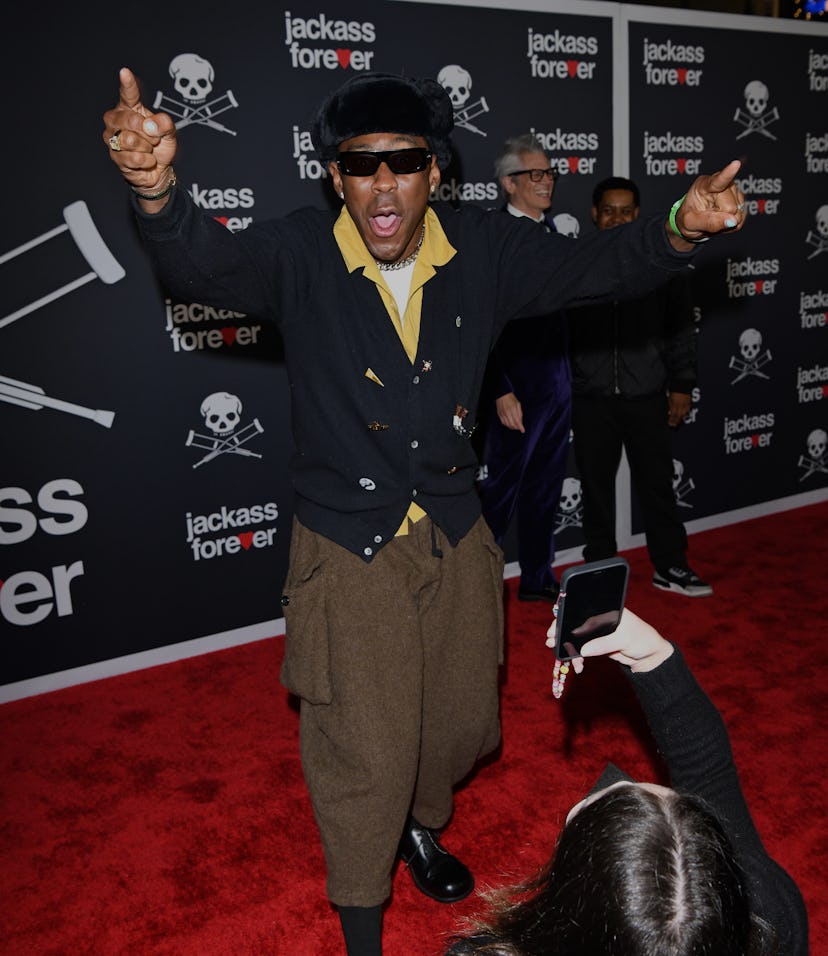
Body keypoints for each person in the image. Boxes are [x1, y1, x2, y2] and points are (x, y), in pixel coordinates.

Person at [102, 68, 746, 954]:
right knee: (362, 746)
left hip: (453, 532)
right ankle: (362, 919)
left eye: (403, 163)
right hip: (347, 545)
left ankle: (419, 823)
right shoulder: (300, 252)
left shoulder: (483, 249)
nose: (382, 184)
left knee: (455, 731)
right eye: (360, 166)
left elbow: (595, 266)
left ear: (435, 172)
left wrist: (677, 226)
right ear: (336, 177)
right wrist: (155, 187)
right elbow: (201, 261)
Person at [446, 607, 808, 955]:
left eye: (591, 807)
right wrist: (653, 656)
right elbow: (708, 771)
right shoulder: (770, 919)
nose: (605, 786)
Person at [568, 176, 713, 597]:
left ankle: (670, 566)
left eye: (626, 210)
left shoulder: (663, 264)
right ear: (595, 215)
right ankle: (598, 574)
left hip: (646, 395)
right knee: (595, 492)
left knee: (657, 486)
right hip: (590, 399)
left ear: (637, 214)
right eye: (608, 210)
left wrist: (682, 384)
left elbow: (681, 330)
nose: (617, 218)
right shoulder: (575, 264)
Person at [476, 134, 571, 603]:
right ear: (509, 184)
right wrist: (500, 388)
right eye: (536, 174)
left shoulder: (553, 235)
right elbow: (478, 323)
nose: (546, 181)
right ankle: (475, 587)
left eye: (550, 173)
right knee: (500, 491)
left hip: (558, 383)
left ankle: (537, 576)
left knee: (546, 487)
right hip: (514, 388)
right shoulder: (492, 239)